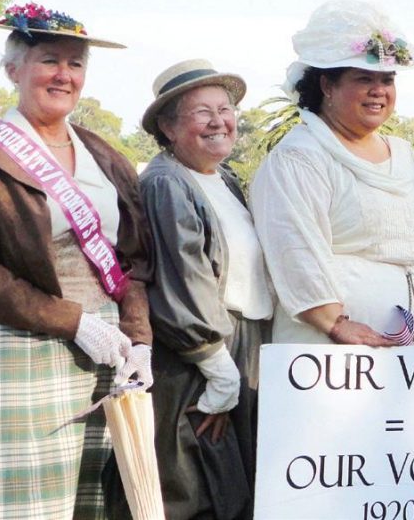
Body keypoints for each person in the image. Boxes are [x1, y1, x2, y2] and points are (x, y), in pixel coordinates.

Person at [0, 4, 153, 518]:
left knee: (91, 505)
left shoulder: (105, 155)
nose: (64, 75)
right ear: (13, 69)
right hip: (16, 352)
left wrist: (140, 337)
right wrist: (72, 320)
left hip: (103, 356)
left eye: (76, 64)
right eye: (49, 60)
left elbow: (133, 260)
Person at [250, 1, 414, 347]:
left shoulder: (405, 157)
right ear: (327, 85)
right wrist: (334, 323)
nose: (379, 90)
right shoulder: (299, 158)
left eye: (387, 79)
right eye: (364, 78)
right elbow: (293, 248)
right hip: (329, 354)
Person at [139, 59, 273, 519]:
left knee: (239, 484)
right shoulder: (166, 183)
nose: (220, 121)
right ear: (168, 127)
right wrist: (218, 370)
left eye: (226, 108)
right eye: (202, 112)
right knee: (197, 488)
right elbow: (182, 278)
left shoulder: (226, 180)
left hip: (243, 345)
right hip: (201, 356)